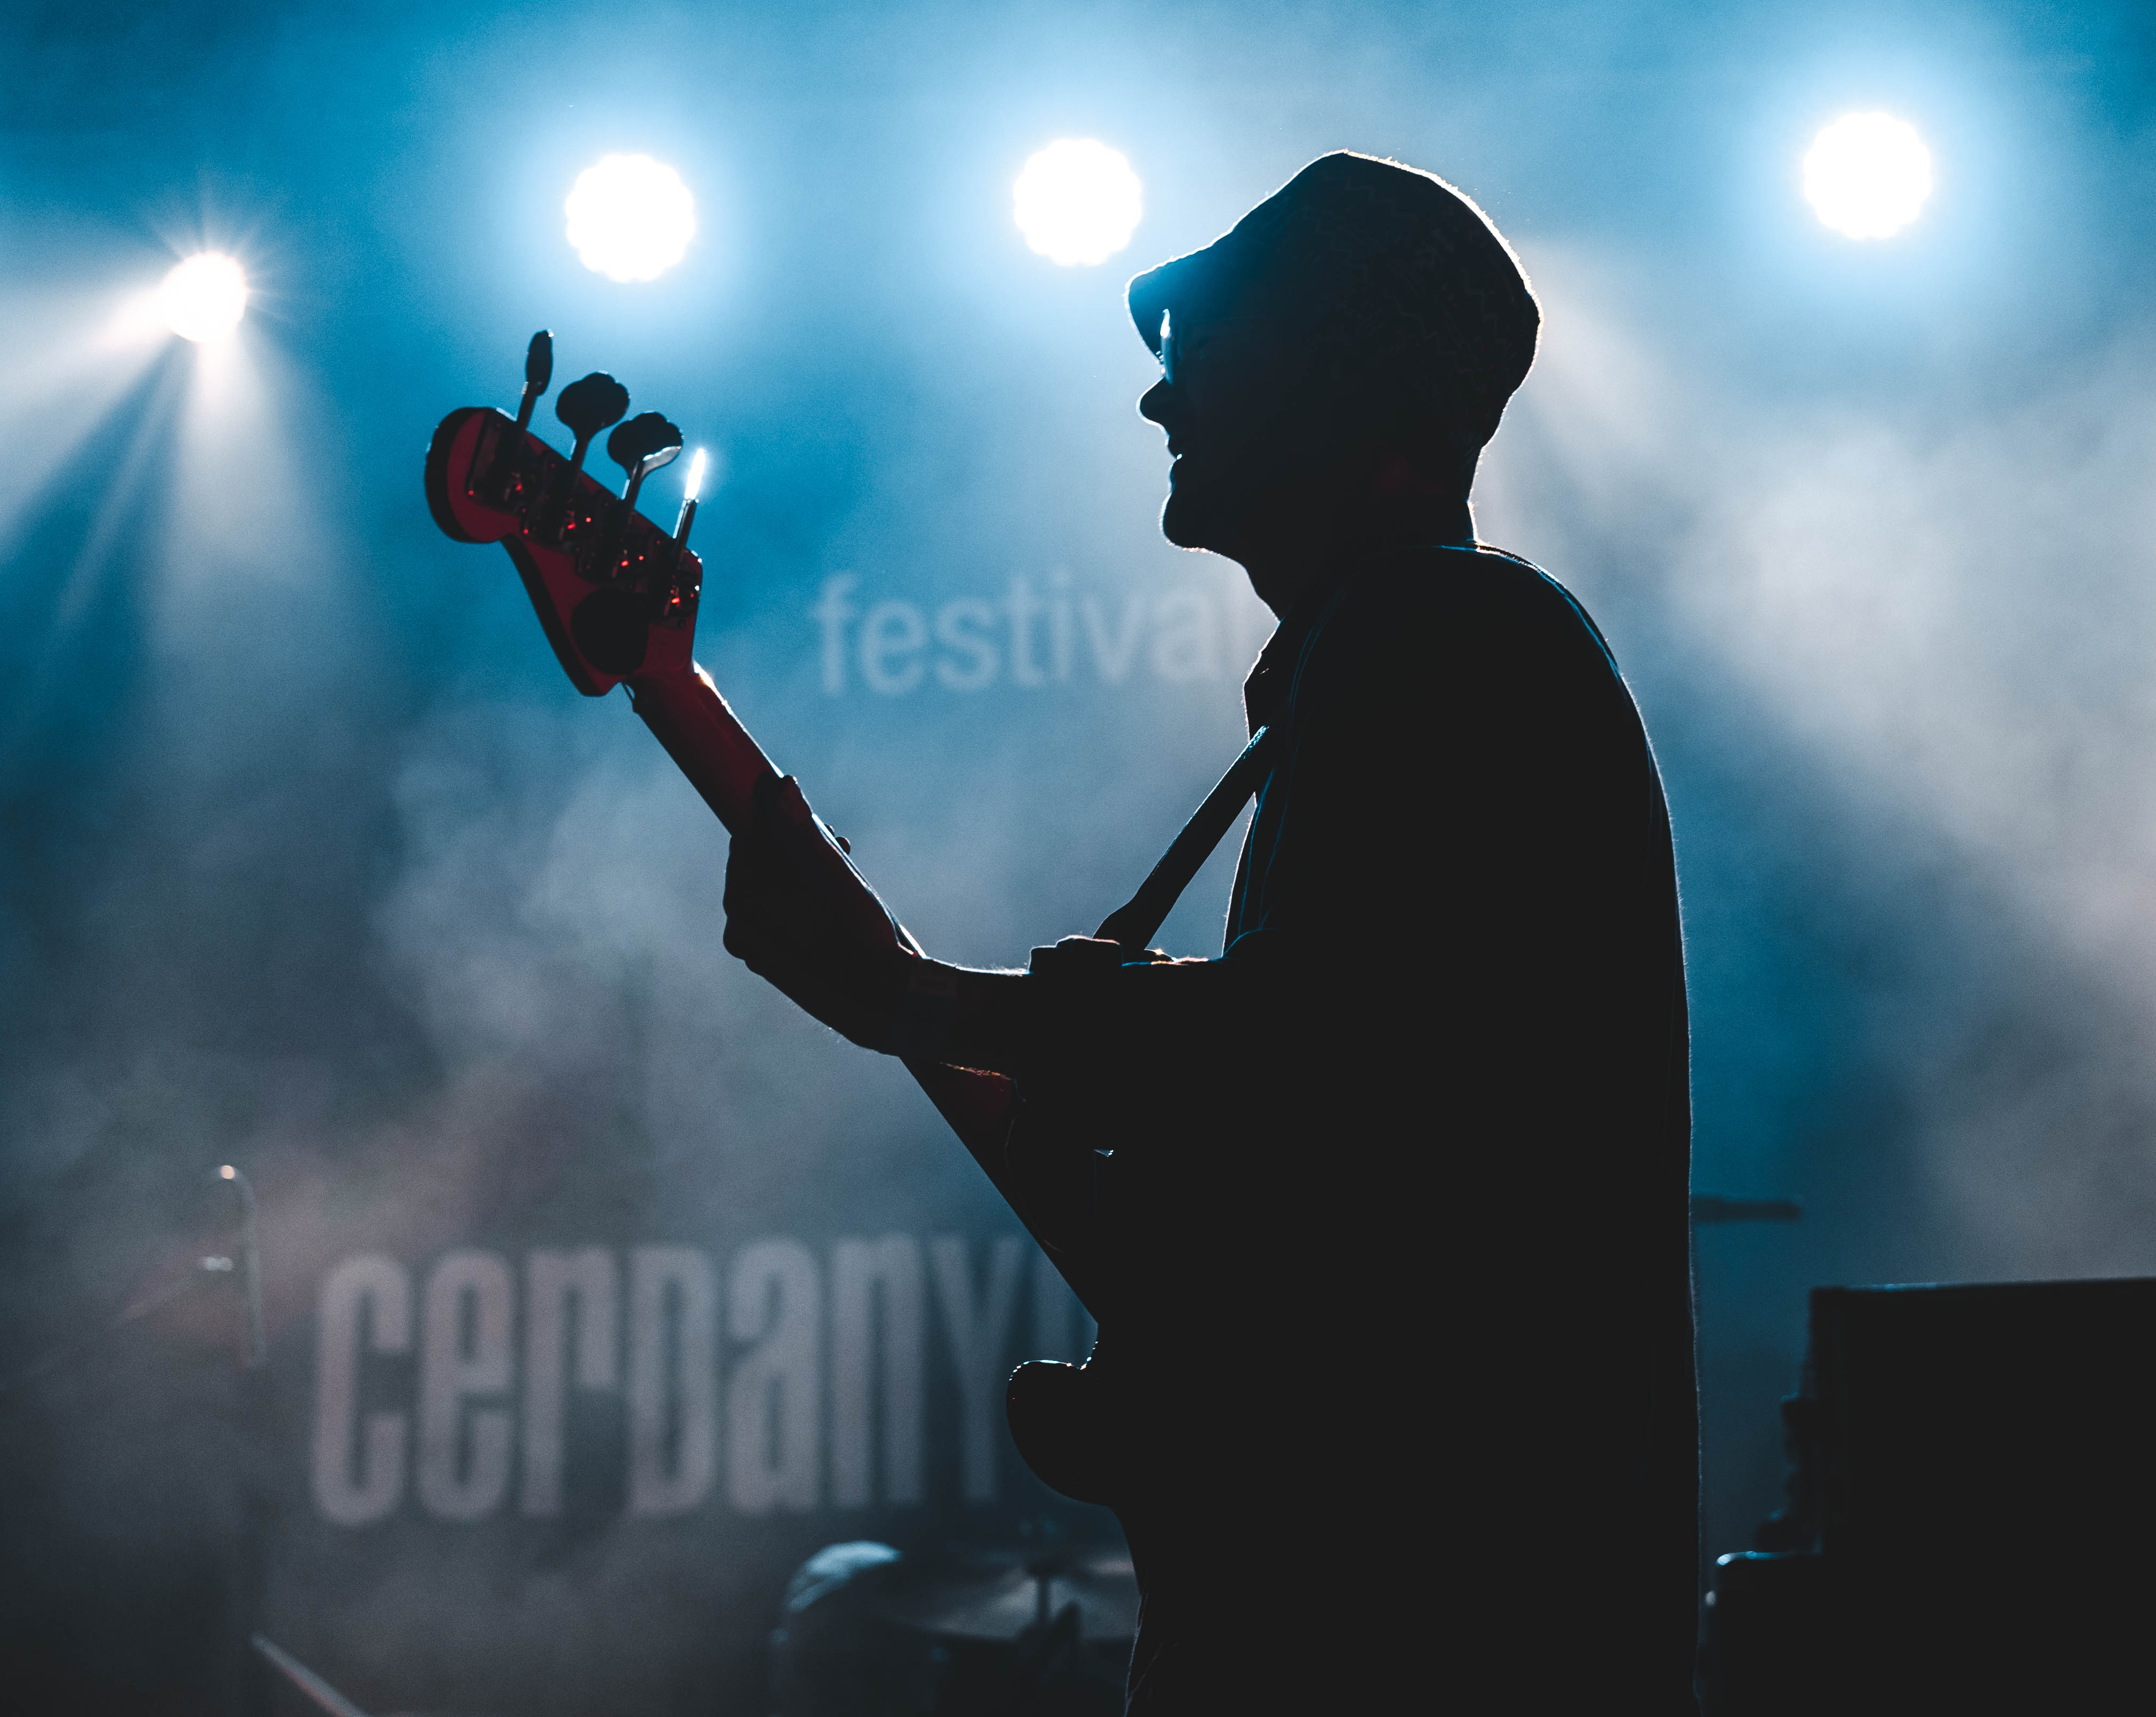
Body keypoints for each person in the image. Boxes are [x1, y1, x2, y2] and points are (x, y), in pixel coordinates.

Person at [722, 153, 1698, 1714]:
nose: (1160, 411)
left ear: (1348, 406)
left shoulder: (1440, 638)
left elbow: (1312, 1041)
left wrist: (912, 998)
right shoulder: (1390, 672)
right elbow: (1348, 1147)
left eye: (1214, 365)